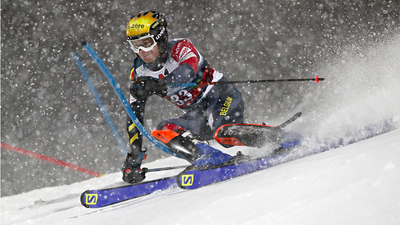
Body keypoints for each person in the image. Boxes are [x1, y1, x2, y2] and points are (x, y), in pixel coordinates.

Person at [121, 10, 245, 183]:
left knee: (223, 134)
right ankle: (208, 158)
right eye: (135, 45)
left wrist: (158, 85)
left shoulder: (181, 47)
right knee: (163, 130)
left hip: (222, 98)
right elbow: (134, 117)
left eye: (147, 43)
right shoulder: (139, 72)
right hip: (198, 115)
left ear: (160, 37)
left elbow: (187, 72)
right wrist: (134, 158)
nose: (142, 51)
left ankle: (270, 138)